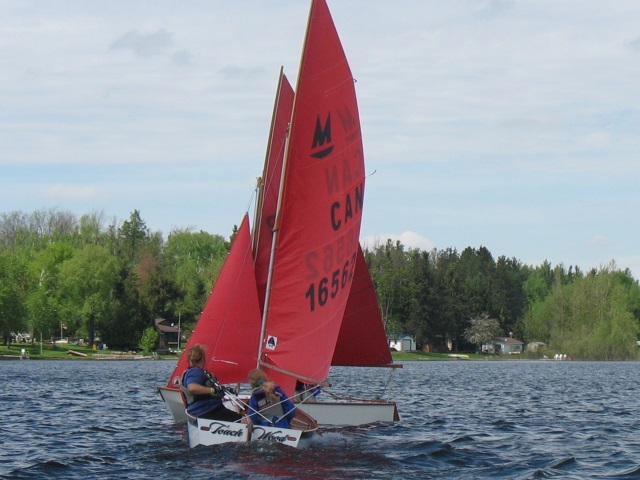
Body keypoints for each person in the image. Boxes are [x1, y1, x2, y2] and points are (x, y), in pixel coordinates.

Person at [181, 344, 244, 422]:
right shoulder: (195, 372)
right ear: (203, 358)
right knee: (246, 420)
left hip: (206, 411)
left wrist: (224, 390)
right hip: (209, 411)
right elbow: (193, 388)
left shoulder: (195, 372)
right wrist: (213, 390)